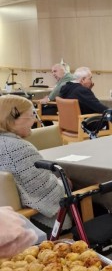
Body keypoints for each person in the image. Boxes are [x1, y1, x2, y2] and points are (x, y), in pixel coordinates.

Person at [0, 95, 69, 233]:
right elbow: (48, 192)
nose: (35, 120)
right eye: (31, 115)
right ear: (13, 119)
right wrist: (64, 183)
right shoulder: (19, 148)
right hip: (33, 223)